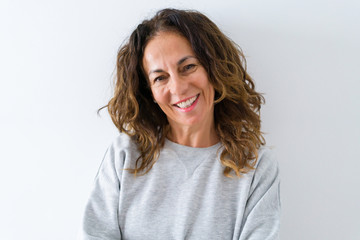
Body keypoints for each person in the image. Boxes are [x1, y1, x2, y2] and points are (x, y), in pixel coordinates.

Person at [79, 8, 280, 240]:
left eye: (188, 67)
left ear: (214, 68)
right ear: (150, 92)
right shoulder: (124, 155)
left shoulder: (256, 166)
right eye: (160, 78)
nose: (178, 88)